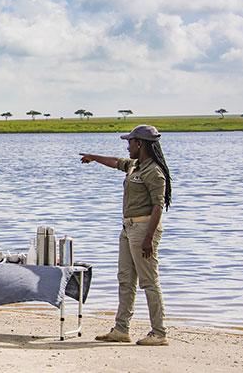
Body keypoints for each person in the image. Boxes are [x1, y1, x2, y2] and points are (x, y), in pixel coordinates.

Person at [79, 124, 172, 346]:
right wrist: (93, 157)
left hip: (144, 229)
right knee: (126, 279)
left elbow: (158, 206)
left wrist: (149, 238)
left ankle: (159, 333)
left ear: (140, 143)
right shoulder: (135, 166)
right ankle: (121, 330)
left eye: (130, 142)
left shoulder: (154, 172)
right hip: (128, 228)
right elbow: (116, 162)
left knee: (149, 281)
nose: (127, 147)